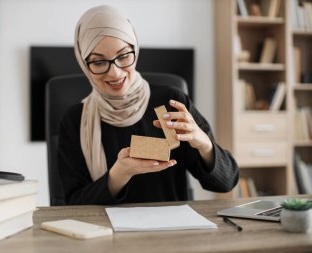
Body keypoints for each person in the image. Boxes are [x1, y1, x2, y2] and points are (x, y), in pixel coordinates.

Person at [57, 5, 239, 205]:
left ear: (135, 50)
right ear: (84, 64)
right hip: (106, 232)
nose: (115, 73)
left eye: (124, 55)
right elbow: (72, 204)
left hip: (172, 230)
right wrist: (118, 175)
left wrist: (204, 144)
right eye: (99, 62)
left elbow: (227, 182)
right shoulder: (75, 120)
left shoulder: (170, 103)